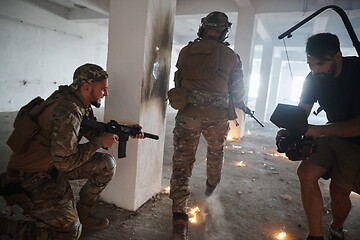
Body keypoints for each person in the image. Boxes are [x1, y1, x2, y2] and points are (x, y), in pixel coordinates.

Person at [0, 63, 144, 239]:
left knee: (106, 164)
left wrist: (124, 130)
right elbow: (66, 163)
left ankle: (83, 214)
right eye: (103, 89)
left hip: (52, 164)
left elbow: (89, 130)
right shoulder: (68, 112)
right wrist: (99, 141)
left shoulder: (76, 100)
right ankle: (8, 225)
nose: (106, 94)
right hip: (31, 175)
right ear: (86, 87)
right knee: (69, 233)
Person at [169, 11, 245, 240]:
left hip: (187, 116)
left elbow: (178, 81)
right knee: (215, 153)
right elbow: (238, 92)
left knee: (182, 163)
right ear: (224, 30)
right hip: (216, 118)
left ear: (203, 28)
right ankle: (211, 194)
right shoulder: (232, 55)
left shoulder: (185, 51)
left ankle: (179, 217)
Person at [277, 33, 360, 240]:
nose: (314, 70)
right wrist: (292, 129)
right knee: (305, 173)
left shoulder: (357, 73)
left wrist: (318, 130)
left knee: (338, 193)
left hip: (356, 141)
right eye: (310, 64)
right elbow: (303, 110)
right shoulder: (313, 78)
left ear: (338, 56)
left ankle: (336, 228)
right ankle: (315, 236)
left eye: (320, 64)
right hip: (332, 133)